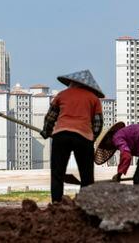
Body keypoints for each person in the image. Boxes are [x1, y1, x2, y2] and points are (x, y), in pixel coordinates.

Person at [40, 69, 104, 203]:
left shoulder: (61, 95)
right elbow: (98, 124)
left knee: (57, 174)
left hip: (61, 135)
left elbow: (50, 117)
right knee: (87, 176)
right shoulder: (94, 99)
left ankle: (56, 204)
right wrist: (92, 138)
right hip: (83, 137)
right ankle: (86, 204)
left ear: (72, 83)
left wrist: (46, 132)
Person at [94, 122, 139, 188]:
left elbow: (126, 156)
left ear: (108, 138)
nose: (108, 148)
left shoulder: (116, 137)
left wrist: (119, 174)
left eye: (105, 146)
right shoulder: (122, 134)